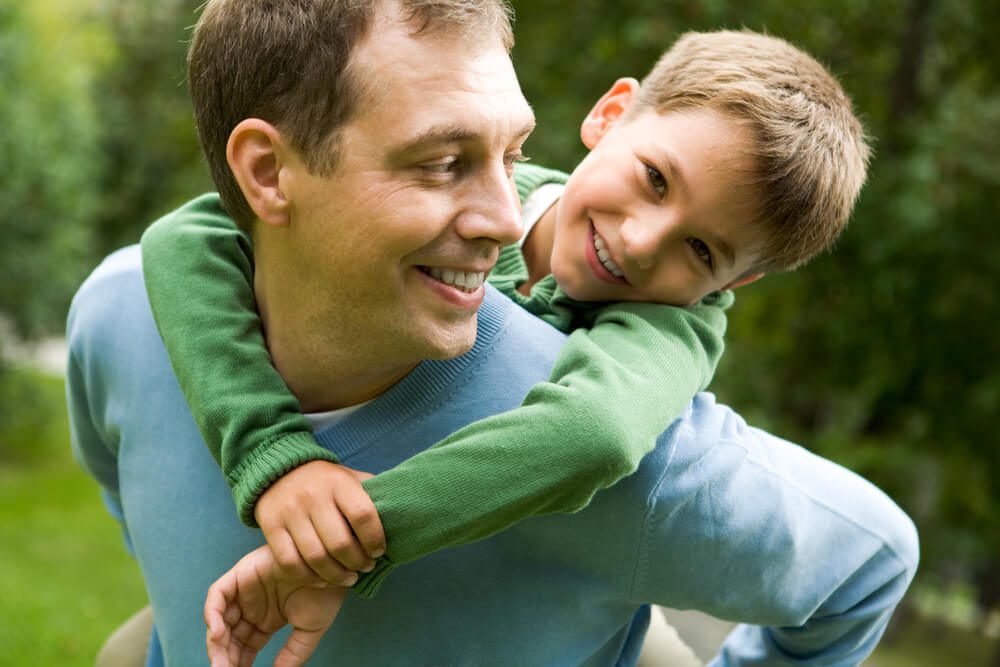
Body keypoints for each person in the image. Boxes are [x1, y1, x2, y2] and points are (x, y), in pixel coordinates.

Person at [67, 1, 919, 666]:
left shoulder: (655, 382)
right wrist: (274, 461)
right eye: (444, 162)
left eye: (702, 249)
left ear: (737, 281)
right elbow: (179, 240)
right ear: (610, 116)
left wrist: (343, 541)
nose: (639, 241)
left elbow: (593, 435)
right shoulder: (121, 311)